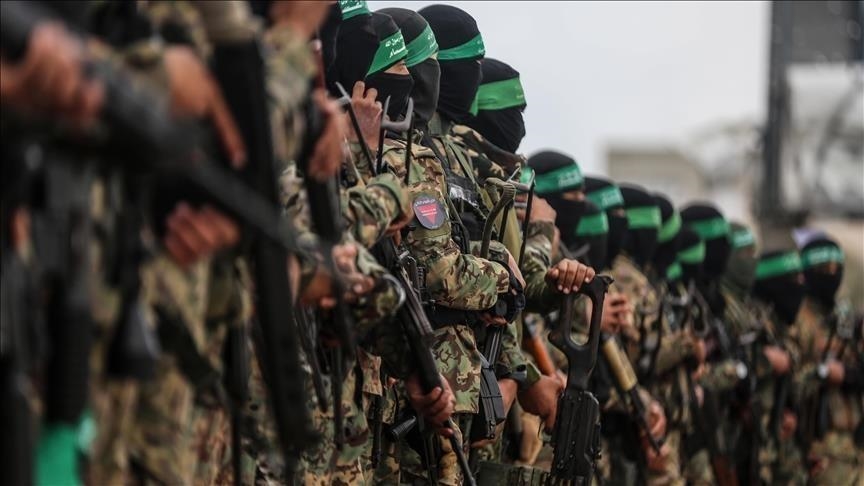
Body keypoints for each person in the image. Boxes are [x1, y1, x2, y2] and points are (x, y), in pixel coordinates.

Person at [793, 236, 863, 485]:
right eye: (824, 269)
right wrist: (822, 372)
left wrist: (847, 375)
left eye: (836, 268)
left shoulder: (847, 319)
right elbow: (790, 380)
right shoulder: (797, 319)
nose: (832, 274)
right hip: (818, 448)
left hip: (854, 447)